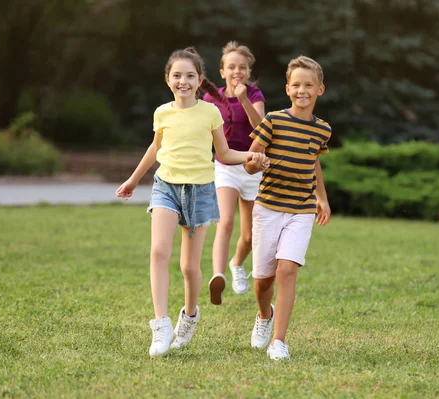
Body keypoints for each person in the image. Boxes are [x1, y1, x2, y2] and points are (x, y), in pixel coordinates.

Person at [115, 47, 269, 358]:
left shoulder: (210, 112)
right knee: (158, 250)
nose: (182, 81)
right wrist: (133, 179)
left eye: (189, 76)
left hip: (200, 191)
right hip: (166, 188)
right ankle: (160, 324)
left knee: (188, 267)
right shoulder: (162, 113)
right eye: (177, 75)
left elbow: (224, 154)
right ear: (167, 79)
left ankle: (189, 315)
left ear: (200, 80)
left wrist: (251, 155)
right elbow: (155, 148)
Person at [244, 55, 332, 361]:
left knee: (287, 269)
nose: (302, 90)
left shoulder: (322, 130)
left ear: (320, 89)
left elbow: (314, 162)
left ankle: (278, 341)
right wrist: (258, 162)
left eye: (308, 85)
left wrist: (321, 197)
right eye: (296, 85)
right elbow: (250, 163)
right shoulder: (273, 121)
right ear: (287, 88)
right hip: (268, 208)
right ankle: (264, 315)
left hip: (301, 210)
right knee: (262, 281)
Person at [201, 41, 266, 305]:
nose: (237, 71)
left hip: (252, 165)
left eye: (242, 67)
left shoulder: (254, 95)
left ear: (248, 72)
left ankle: (237, 264)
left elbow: (261, 128)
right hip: (225, 167)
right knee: (225, 222)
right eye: (231, 67)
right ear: (222, 71)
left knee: (250, 236)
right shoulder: (210, 98)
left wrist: (242, 99)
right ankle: (218, 276)